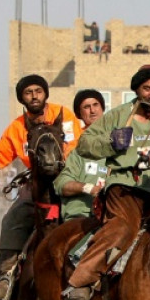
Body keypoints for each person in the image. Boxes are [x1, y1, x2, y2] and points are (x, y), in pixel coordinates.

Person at [61, 65, 150, 300]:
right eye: (147, 88)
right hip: (124, 186)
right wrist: (110, 142)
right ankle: (81, 281)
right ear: (137, 89)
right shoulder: (118, 115)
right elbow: (85, 143)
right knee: (124, 228)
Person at [0, 74, 81, 300]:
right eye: (28, 93)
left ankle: (94, 277)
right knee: (12, 220)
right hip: (37, 186)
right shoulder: (17, 128)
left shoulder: (65, 116)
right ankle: (6, 277)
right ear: (22, 98)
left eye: (38, 91)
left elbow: (78, 146)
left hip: (69, 181)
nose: (34, 96)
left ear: (45, 94)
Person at [53, 90, 108, 221]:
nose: (92, 111)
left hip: (114, 215)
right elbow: (61, 183)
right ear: (79, 114)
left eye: (96, 105)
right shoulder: (77, 147)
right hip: (82, 217)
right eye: (86, 107)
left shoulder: (119, 144)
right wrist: (89, 188)